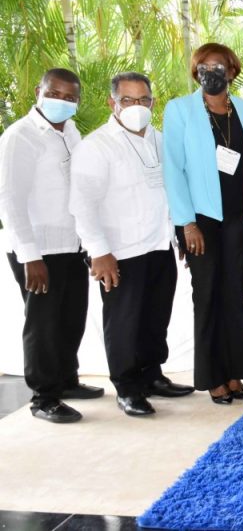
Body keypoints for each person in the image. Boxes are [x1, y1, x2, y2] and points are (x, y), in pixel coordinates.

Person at [68, 73, 194, 418]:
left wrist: (178, 234)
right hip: (119, 251)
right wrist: (99, 251)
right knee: (124, 322)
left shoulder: (161, 139)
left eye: (143, 100)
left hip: (158, 244)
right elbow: (82, 204)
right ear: (113, 103)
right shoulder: (96, 146)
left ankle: (152, 375)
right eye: (128, 100)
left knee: (156, 317)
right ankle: (127, 387)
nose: (136, 107)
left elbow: (171, 190)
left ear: (152, 104)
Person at [0, 68, 102, 423]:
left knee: (71, 318)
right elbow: (10, 201)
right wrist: (30, 256)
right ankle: (44, 397)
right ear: (38, 91)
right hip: (38, 250)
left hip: (70, 245)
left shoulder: (71, 131)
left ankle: (66, 380)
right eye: (55, 93)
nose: (63, 101)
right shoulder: (21, 137)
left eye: (71, 96)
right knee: (43, 324)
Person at [163, 43, 243, 405]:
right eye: (204, 66)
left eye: (219, 66)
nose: (211, 72)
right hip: (201, 221)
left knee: (234, 294)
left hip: (238, 217)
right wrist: (186, 224)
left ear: (232, 71)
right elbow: (173, 168)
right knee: (207, 295)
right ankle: (213, 375)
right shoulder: (180, 110)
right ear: (196, 71)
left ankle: (235, 370)